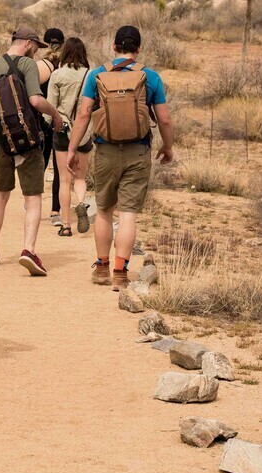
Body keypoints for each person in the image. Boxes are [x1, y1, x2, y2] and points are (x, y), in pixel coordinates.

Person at [67, 25, 174, 290]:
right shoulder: (151, 77)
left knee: (104, 210)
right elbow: (164, 119)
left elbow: (83, 115)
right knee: (128, 214)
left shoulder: (97, 75)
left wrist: (72, 148)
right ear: (139, 49)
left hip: (106, 151)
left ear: (114, 47)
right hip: (138, 151)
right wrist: (168, 146)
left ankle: (102, 268)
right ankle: (120, 273)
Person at [0, 26, 63, 276]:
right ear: (27, 43)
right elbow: (35, 100)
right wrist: (55, 115)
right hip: (27, 141)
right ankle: (28, 250)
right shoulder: (28, 65)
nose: (36, 51)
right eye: (36, 46)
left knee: (0, 196)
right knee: (33, 197)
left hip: (2, 142)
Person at [47, 37, 93, 236]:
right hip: (84, 132)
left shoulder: (57, 75)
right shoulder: (91, 75)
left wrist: (49, 123)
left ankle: (66, 225)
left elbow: (50, 105)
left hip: (62, 131)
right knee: (80, 177)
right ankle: (81, 203)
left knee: (64, 180)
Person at [38, 28, 65, 225]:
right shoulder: (67, 67)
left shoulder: (39, 66)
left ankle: (33, 203)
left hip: (42, 121)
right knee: (59, 169)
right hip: (62, 121)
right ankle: (56, 210)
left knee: (40, 162)